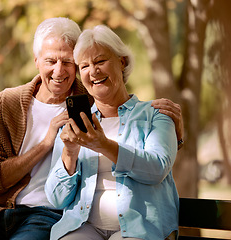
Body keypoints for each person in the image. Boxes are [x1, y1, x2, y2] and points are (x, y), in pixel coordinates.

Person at [0, 17, 183, 240]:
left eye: (68, 62)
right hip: (2, 211)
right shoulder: (8, 103)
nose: (59, 70)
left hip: (51, 215)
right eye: (50, 61)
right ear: (36, 61)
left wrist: (176, 133)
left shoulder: (89, 104)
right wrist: (48, 144)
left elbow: (135, 129)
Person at [45, 25, 178, 240]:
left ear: (122, 61)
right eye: (85, 66)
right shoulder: (74, 125)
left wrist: (103, 145)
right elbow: (57, 199)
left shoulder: (156, 114)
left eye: (99, 61)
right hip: (84, 226)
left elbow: (157, 169)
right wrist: (69, 153)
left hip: (140, 229)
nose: (93, 71)